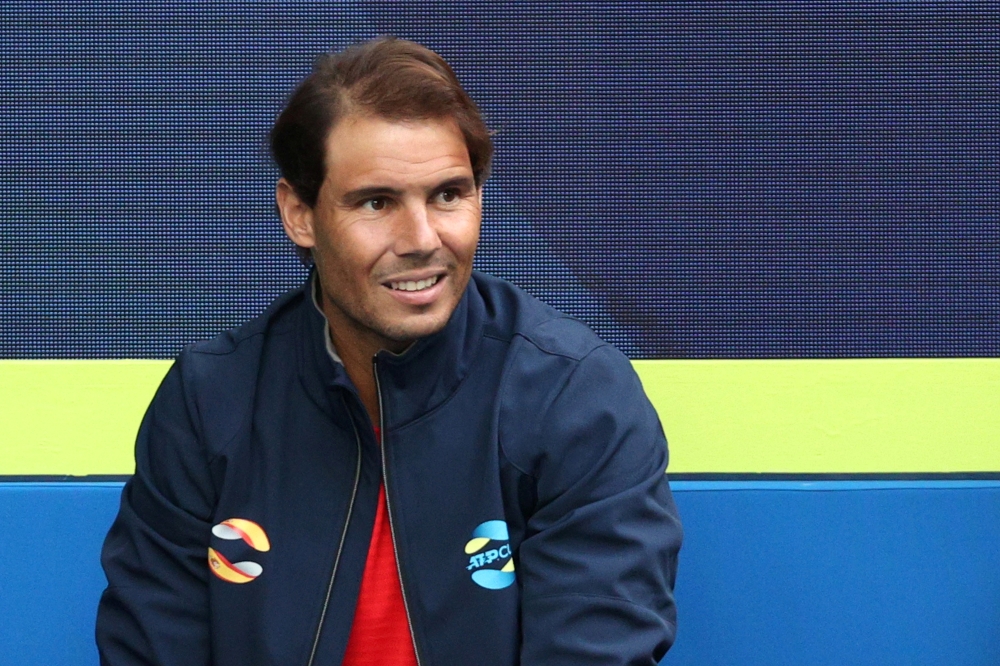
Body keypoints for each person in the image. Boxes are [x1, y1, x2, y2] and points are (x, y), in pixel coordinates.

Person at [96, 36, 682, 666]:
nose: (422, 239)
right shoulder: (209, 401)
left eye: (448, 195)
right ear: (299, 213)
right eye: (377, 202)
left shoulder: (574, 396)